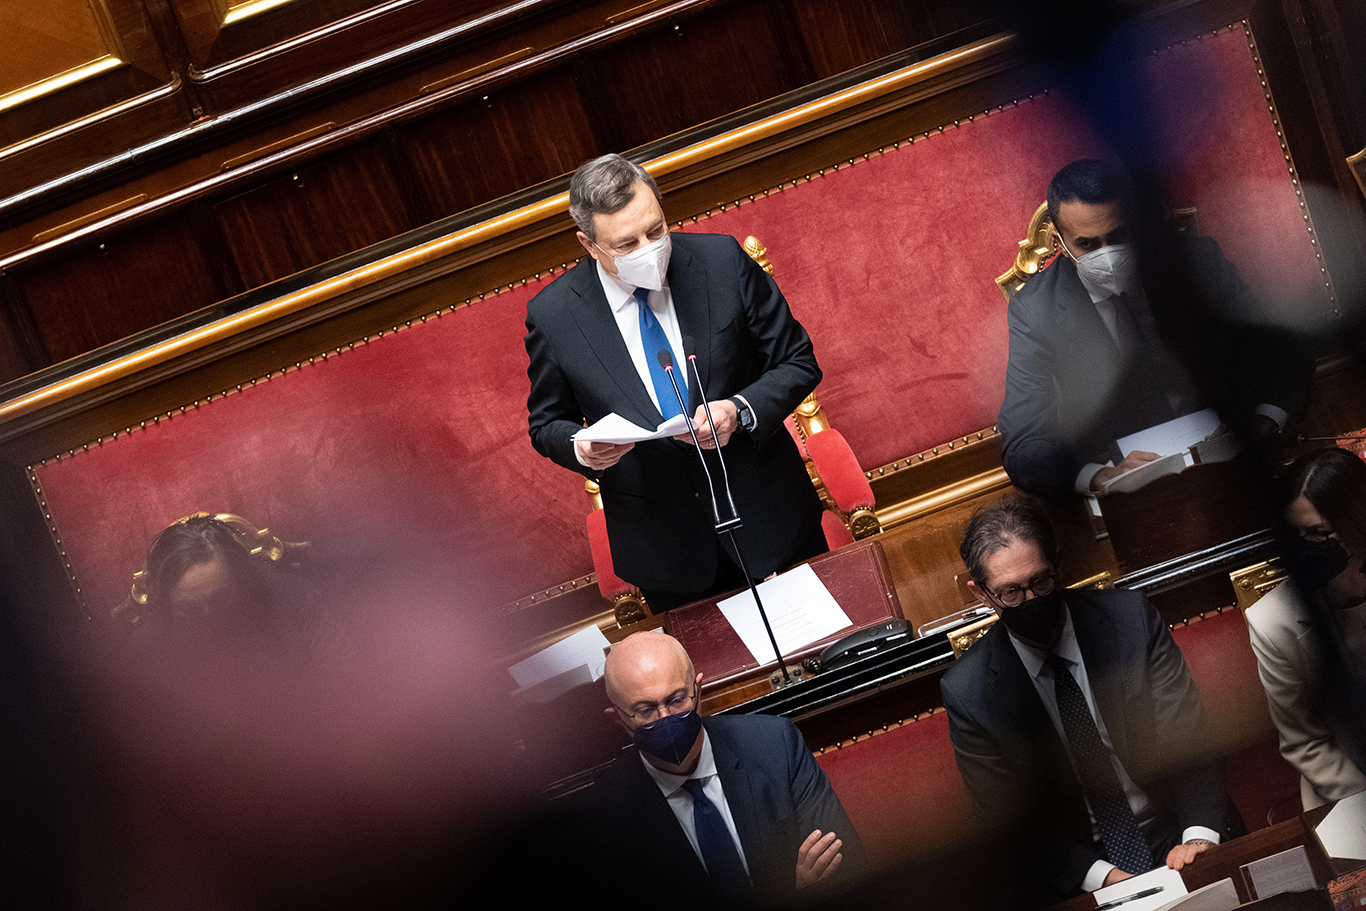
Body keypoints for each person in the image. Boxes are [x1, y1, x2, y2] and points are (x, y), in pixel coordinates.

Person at [525, 154, 826, 609]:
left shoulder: (721, 261)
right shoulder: (554, 316)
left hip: (773, 516)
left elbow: (797, 360)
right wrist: (581, 446)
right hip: (667, 549)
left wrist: (738, 409)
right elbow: (547, 424)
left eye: (656, 230)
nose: (648, 248)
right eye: (626, 244)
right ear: (589, 244)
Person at [940, 498, 1233, 904]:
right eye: (1010, 592)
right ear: (981, 593)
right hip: (1078, 871)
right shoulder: (970, 692)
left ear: (1058, 565)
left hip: (1176, 830)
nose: (1030, 600)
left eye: (1040, 582)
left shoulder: (1131, 621)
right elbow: (1014, 825)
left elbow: (1191, 740)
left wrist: (1198, 837)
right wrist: (1105, 878)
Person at [997, 159, 1311, 499]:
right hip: (1126, 490)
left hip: (1238, 463)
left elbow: (1285, 355)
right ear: (1060, 241)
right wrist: (1102, 477)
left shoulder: (1196, 262)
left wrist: (1259, 424)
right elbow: (1023, 447)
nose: (1107, 254)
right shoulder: (1035, 310)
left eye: (1118, 236)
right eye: (1087, 244)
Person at [574, 630, 864, 906]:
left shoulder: (775, 744)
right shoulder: (604, 816)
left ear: (698, 690)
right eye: (645, 710)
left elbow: (844, 863)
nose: (665, 718)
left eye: (676, 700)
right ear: (619, 720)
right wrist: (795, 895)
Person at [1245, 447, 1366, 809]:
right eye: (1294, 536)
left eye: (1317, 533)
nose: (1304, 549)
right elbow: (1305, 743)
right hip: (1350, 794)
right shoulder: (1272, 622)